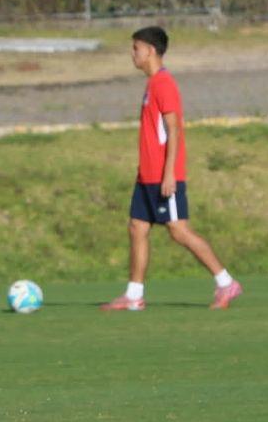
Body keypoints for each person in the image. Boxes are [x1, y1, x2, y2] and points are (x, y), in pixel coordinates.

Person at [102, 26, 243, 311]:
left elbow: (174, 129)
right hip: (146, 176)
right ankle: (133, 295)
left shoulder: (164, 83)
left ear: (150, 50)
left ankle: (226, 283)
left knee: (178, 231)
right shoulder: (152, 84)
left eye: (136, 48)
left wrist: (169, 174)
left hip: (164, 176)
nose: (133, 54)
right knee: (137, 228)